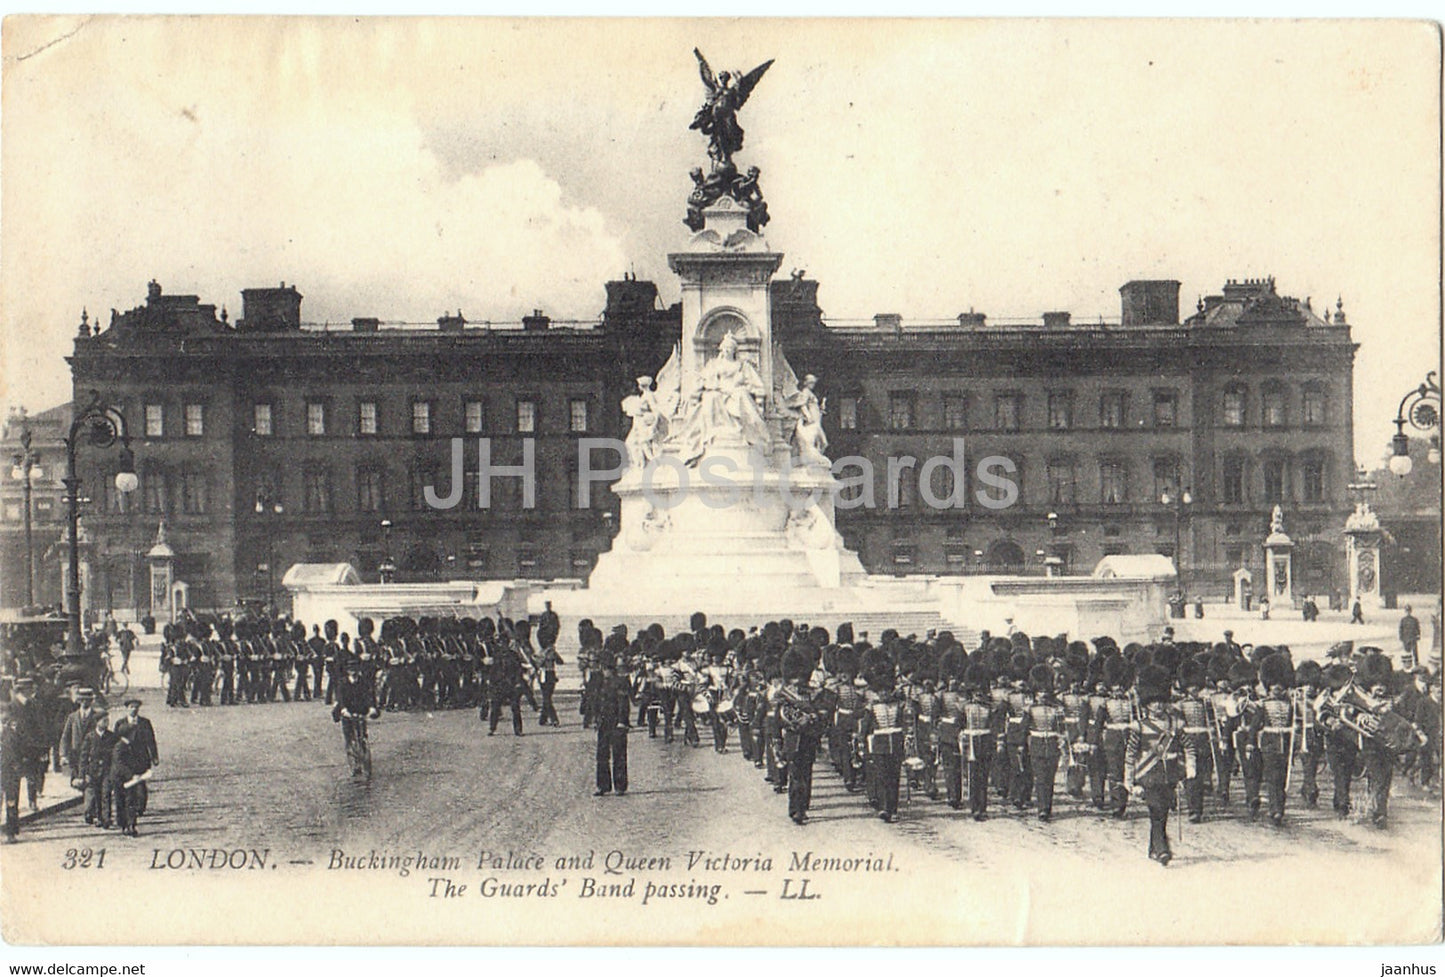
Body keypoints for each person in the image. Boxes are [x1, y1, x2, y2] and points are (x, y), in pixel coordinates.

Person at [1125, 664, 1190, 867]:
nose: (1158, 706)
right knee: (1156, 809)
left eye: (1161, 702)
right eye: (1154, 702)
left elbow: (1187, 747)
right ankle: (1162, 849)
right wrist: (1129, 781)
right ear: (1146, 704)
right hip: (1149, 775)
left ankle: (1154, 847)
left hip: (1169, 775)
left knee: (1162, 812)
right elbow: (1130, 755)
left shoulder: (1176, 724)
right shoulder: (1139, 726)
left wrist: (1188, 770)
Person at [1021, 664, 1066, 822]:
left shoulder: (1057, 708)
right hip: (1037, 744)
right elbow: (1024, 729)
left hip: (1052, 745)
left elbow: (1062, 728)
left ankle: (1047, 806)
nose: (1043, 695)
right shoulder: (1030, 709)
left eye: (1045, 691)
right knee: (1040, 779)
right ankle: (1042, 809)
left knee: (1050, 779)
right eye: (1040, 692)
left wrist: (1063, 745)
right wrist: (1022, 745)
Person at [332, 661, 380, 780]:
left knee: (362, 735)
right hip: (347, 711)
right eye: (351, 670)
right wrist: (343, 710)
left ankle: (365, 760)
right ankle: (354, 764)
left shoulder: (363, 682)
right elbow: (340, 698)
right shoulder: (342, 683)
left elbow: (369, 695)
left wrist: (372, 708)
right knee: (349, 737)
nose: (354, 672)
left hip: (361, 710)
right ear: (347, 671)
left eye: (355, 669)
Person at [591, 654, 631, 796]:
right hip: (604, 723)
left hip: (616, 722)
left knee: (618, 755)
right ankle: (603, 786)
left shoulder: (620, 682)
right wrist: (596, 719)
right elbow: (596, 703)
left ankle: (619, 786)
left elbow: (623, 704)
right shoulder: (601, 683)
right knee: (602, 755)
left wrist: (622, 721)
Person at [112, 699, 158, 816]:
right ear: (127, 708)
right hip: (126, 759)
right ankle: (130, 806)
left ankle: (140, 807)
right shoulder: (120, 723)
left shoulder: (145, 723)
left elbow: (151, 740)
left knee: (141, 784)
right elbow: (114, 741)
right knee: (129, 782)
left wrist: (154, 756)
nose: (134, 709)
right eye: (131, 706)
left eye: (136, 707)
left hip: (141, 758)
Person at [80, 711, 116, 828]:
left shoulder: (111, 736)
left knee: (106, 793)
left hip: (107, 770)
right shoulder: (90, 737)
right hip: (93, 771)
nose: (106, 723)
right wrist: (83, 773)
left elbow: (115, 755)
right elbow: (84, 757)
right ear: (97, 722)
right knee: (96, 794)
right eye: (104, 720)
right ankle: (98, 817)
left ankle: (106, 818)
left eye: (107, 720)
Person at [1400, 605, 1421, 670]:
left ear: (1411, 611)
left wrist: (1418, 635)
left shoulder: (1414, 620)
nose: (1408, 612)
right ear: (1405, 611)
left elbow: (1417, 628)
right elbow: (1401, 629)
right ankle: (1407, 664)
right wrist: (1401, 637)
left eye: (1409, 611)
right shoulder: (1403, 620)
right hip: (1406, 638)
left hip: (1412, 637)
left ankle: (1416, 663)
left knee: (1415, 652)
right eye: (1407, 611)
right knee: (1407, 652)